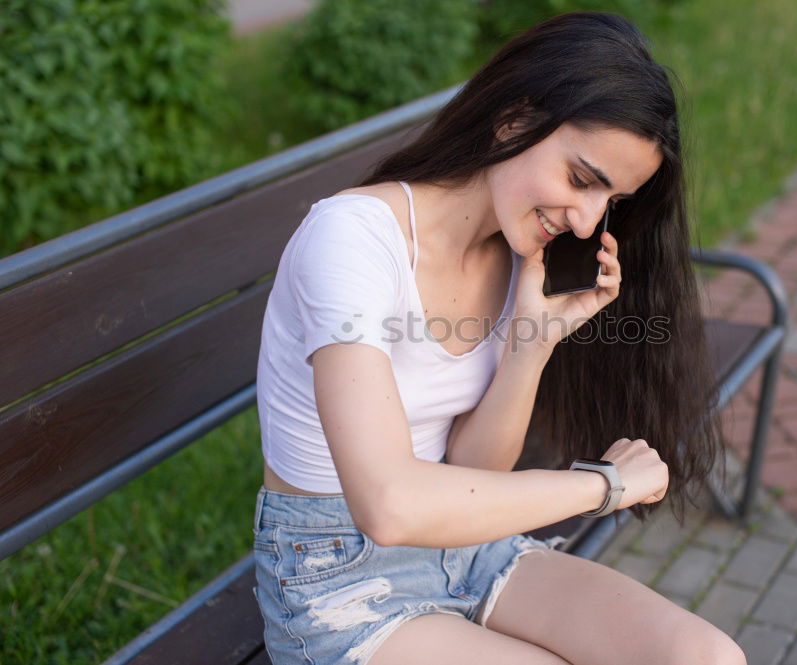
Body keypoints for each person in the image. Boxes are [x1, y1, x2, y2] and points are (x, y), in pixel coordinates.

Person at [251, 10, 744, 665]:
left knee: (705, 657)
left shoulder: (513, 259)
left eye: (611, 201)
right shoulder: (352, 241)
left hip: (465, 545)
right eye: (581, 179)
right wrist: (603, 485)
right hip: (336, 578)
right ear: (514, 120)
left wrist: (529, 344)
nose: (587, 220)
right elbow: (390, 505)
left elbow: (474, 475)